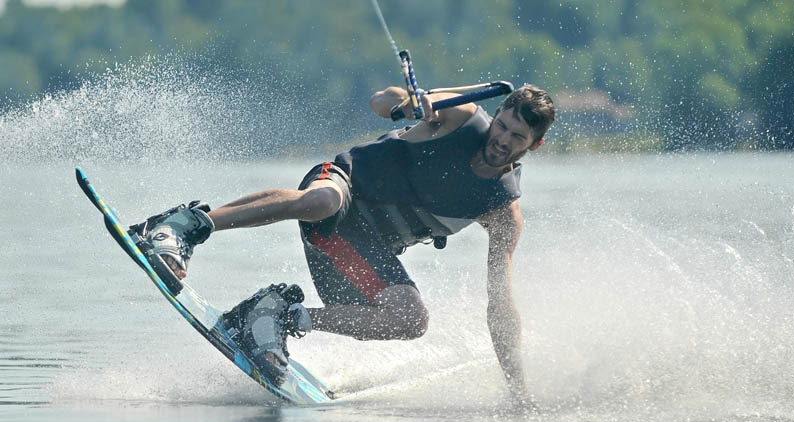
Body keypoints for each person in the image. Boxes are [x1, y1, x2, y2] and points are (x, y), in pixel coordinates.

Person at [136, 84, 555, 403]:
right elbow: (381, 100)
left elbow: (500, 303)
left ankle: (276, 316)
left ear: (533, 145)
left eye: (517, 137)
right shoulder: (459, 116)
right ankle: (184, 225)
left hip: (352, 250)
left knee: (411, 319)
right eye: (502, 125)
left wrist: (518, 391)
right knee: (323, 200)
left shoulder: (502, 210)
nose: (502, 139)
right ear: (496, 113)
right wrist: (413, 101)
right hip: (339, 190)